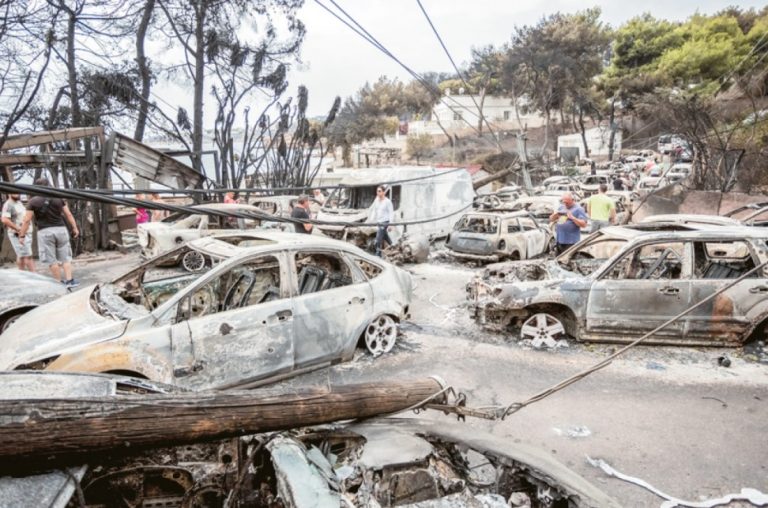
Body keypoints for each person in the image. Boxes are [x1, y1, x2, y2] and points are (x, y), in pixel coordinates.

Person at [19, 178, 80, 287]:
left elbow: (27, 220)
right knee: (65, 257)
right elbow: (68, 214)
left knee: (52, 260)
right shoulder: (58, 198)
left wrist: (22, 235)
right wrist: (75, 228)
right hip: (61, 230)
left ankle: (58, 283)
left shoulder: (33, 201)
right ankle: (69, 281)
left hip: (45, 232)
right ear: (49, 185)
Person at [1, 193, 35, 271]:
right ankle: (34, 274)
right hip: (17, 234)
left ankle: (21, 273)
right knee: (28, 256)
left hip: (26, 233)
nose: (17, 194)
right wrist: (18, 229)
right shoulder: (8, 204)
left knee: (21, 256)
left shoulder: (19, 202)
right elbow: (4, 219)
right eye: (14, 192)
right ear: (9, 193)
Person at [368, 185, 394, 257]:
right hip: (379, 222)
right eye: (377, 191)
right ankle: (393, 246)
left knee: (378, 238)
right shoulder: (377, 201)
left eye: (379, 191)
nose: (378, 193)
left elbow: (391, 213)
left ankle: (378, 254)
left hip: (385, 222)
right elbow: (374, 211)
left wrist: (391, 224)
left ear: (383, 192)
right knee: (385, 236)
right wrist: (371, 220)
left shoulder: (387, 202)